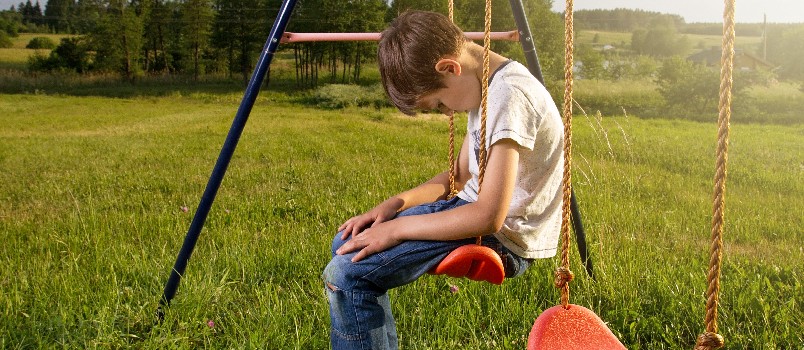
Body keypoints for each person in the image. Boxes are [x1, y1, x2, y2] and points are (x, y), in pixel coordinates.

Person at [323, 10, 564, 349]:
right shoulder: (486, 87)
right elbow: (459, 177)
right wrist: (394, 205)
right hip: (470, 209)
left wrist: (396, 229)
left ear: (450, 68)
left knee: (346, 275)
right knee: (346, 241)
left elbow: (488, 216)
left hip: (503, 236)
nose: (446, 111)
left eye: (437, 103)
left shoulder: (509, 96)